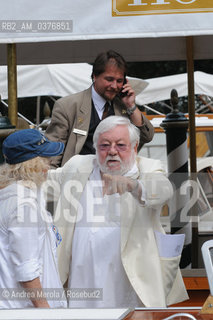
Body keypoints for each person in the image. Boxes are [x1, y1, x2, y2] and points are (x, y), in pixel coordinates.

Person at [46, 116, 188, 308]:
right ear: (96, 148)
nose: (112, 151)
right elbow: (42, 181)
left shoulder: (147, 168)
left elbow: (164, 189)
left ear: (134, 147)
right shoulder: (79, 165)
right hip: (83, 282)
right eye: (105, 145)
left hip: (130, 285)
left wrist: (133, 185)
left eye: (121, 145)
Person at [45, 50, 154, 168]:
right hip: (79, 179)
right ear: (94, 76)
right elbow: (52, 155)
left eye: (119, 81)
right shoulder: (67, 106)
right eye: (109, 79)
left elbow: (146, 137)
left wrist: (131, 106)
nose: (114, 86)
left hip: (116, 178)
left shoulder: (124, 107)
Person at [0, 129, 67, 309]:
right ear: (33, 165)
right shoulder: (23, 205)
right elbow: (26, 269)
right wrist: (45, 311)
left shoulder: (15, 193)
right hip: (26, 311)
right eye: (47, 160)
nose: (50, 166)